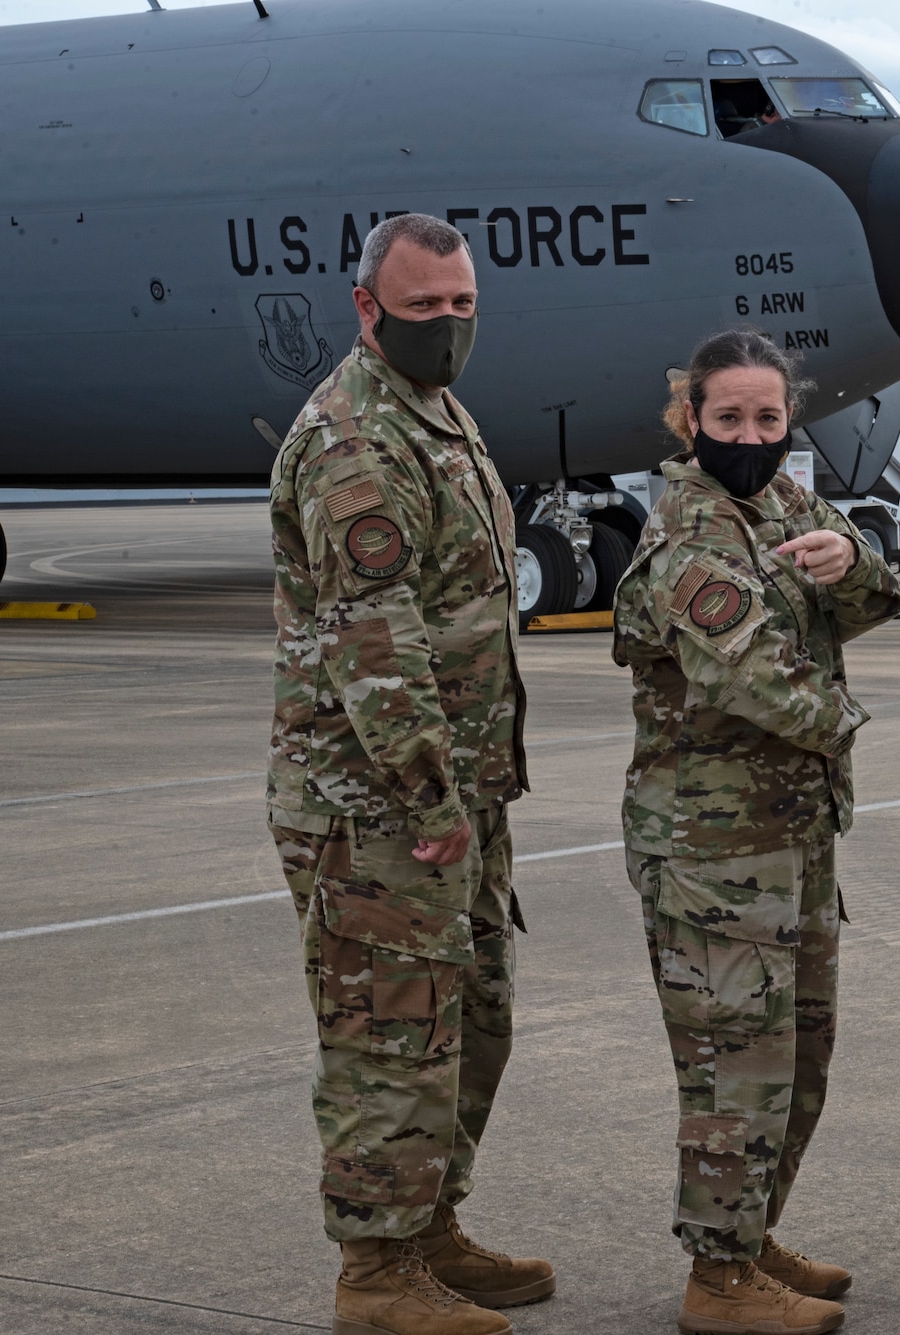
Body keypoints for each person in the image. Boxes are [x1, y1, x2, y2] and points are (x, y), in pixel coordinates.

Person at [267, 212, 554, 1335]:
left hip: (455, 797)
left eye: (460, 305)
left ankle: (427, 1226)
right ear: (367, 306)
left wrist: (467, 794)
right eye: (423, 305)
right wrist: (431, 797)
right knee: (390, 1036)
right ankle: (375, 1275)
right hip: (377, 810)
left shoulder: (437, 414)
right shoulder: (353, 437)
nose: (446, 324)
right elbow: (371, 636)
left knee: (468, 1023)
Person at [611, 328, 900, 1335]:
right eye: (728, 417)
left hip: (791, 840)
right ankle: (717, 1280)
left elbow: (871, 601)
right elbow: (748, 677)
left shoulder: (780, 504)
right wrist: (856, 730)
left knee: (798, 1058)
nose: (749, 433)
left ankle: (751, 1232)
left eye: (767, 418)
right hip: (711, 853)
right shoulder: (690, 533)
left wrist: (848, 554)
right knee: (734, 1070)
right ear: (690, 421)